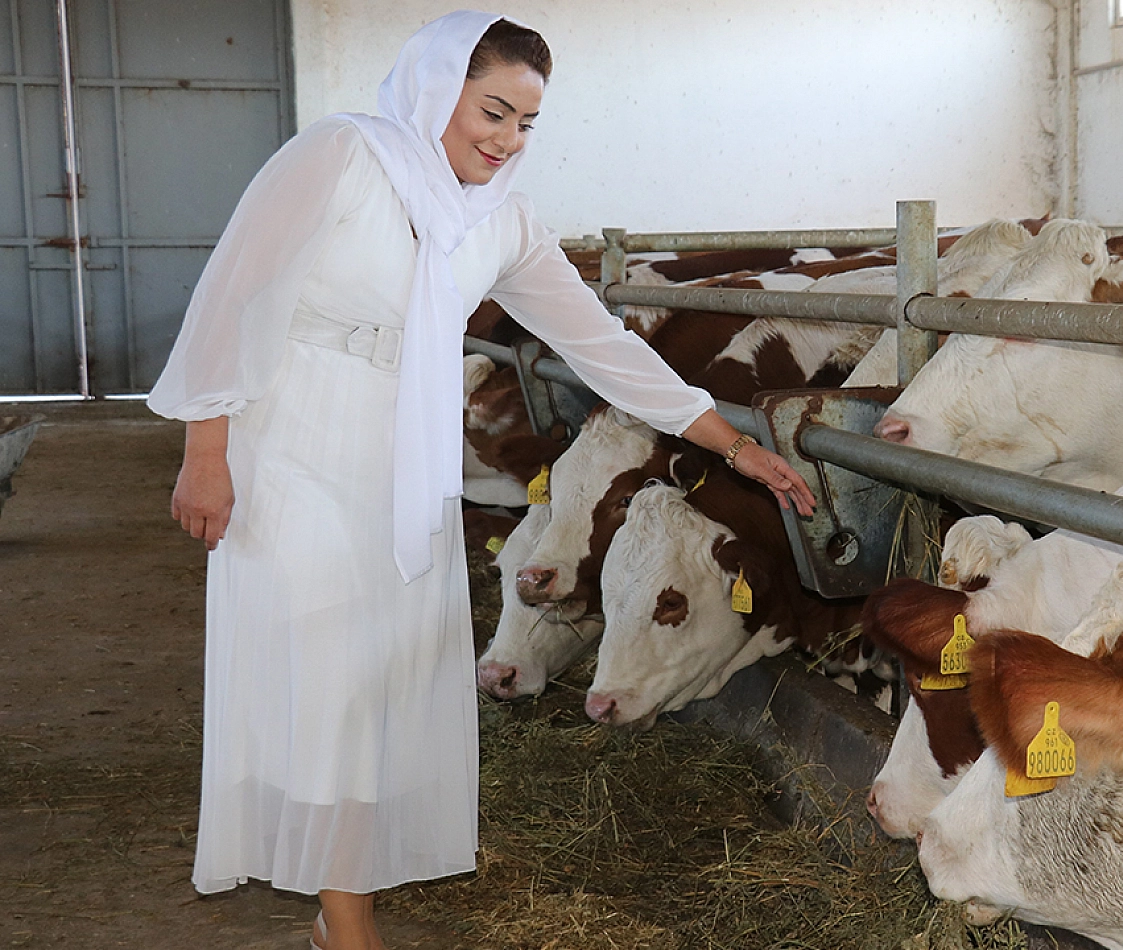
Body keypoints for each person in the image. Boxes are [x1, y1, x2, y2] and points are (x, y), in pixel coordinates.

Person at [148, 12, 816, 950]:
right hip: (294, 443)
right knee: (332, 677)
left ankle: (335, 901)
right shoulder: (340, 156)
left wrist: (732, 443)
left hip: (405, 456)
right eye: (492, 111)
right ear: (436, 89)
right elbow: (233, 289)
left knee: (378, 677)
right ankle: (350, 927)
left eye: (526, 124)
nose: (505, 141)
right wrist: (205, 452)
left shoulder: (501, 222)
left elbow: (602, 347)